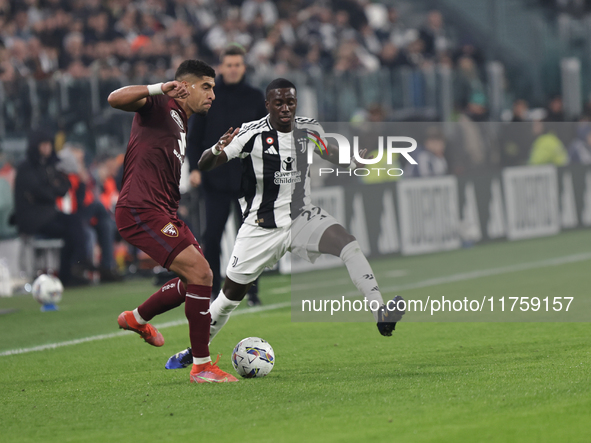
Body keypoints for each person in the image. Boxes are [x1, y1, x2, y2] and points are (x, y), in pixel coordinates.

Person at [166, 78, 405, 369]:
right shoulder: (250, 134)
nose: (285, 108)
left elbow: (328, 152)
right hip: (260, 227)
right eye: (278, 102)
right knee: (230, 296)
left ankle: (380, 311)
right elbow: (204, 164)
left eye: (290, 102)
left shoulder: (308, 129)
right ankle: (194, 351)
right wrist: (217, 149)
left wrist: (352, 160)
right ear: (267, 105)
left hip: (301, 217)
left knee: (348, 244)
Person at [108, 60, 238, 383]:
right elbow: (114, 98)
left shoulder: (181, 120)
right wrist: (158, 87)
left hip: (163, 211)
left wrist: (218, 150)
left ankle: (136, 318)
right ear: (187, 86)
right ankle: (202, 367)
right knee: (202, 272)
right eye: (206, 87)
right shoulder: (159, 103)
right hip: (140, 209)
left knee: (195, 280)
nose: (212, 95)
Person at [187, 44, 267, 306]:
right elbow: (195, 137)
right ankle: (210, 291)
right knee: (212, 236)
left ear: (244, 67)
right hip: (215, 179)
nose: (232, 70)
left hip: (247, 179)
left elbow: (267, 137)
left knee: (251, 239)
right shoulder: (208, 95)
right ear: (220, 67)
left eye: (237, 65)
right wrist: (195, 168)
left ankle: (252, 292)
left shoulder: (256, 97)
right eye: (228, 65)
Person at [13, 130, 89, 286]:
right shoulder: (26, 167)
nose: (47, 148)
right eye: (44, 144)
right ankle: (74, 268)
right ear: (36, 146)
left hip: (48, 214)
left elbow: (62, 187)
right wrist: (49, 188)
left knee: (74, 222)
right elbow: (38, 191)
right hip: (33, 219)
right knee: (71, 228)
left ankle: (74, 268)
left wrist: (47, 189)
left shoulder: (48, 165)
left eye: (49, 144)